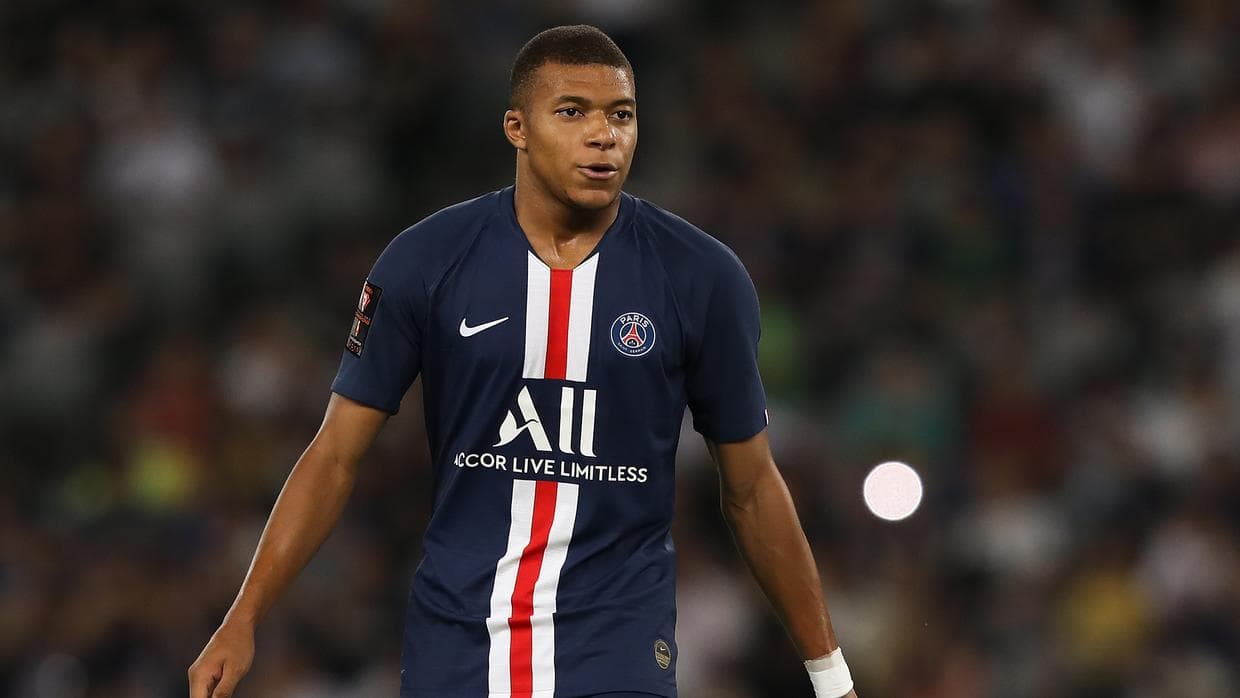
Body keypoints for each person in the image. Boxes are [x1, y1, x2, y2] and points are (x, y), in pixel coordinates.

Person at [189, 24, 858, 698]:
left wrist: (831, 679)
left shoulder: (702, 278)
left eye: (621, 115)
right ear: (518, 128)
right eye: (573, 112)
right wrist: (242, 618)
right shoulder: (426, 261)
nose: (603, 136)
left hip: (618, 650)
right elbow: (335, 455)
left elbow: (752, 488)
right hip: (456, 645)